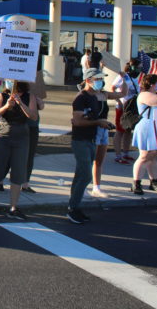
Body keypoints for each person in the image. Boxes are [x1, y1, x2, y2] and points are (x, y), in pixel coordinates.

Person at [67, 68, 124, 223]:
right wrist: (99, 122)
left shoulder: (95, 96)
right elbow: (78, 121)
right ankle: (73, 208)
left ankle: (74, 206)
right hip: (80, 140)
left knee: (80, 174)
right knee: (85, 174)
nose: (100, 81)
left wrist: (102, 122)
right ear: (88, 80)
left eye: (101, 78)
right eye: (97, 79)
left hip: (91, 139)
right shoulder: (81, 98)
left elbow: (121, 94)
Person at [0, 80, 38, 221]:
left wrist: (20, 103)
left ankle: (13, 207)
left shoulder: (29, 97)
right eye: (9, 80)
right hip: (3, 135)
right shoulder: (3, 96)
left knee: (18, 173)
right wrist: (6, 106)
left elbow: (33, 116)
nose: (10, 82)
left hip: (21, 136)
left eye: (13, 80)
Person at [130, 74, 157, 195]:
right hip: (147, 127)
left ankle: (154, 181)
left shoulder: (153, 94)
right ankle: (136, 182)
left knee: (154, 155)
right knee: (145, 155)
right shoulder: (144, 94)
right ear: (152, 84)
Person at [111, 59, 141, 165]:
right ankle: (118, 155)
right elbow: (113, 88)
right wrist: (118, 100)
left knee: (128, 130)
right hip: (122, 106)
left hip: (131, 108)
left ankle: (125, 153)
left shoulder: (134, 78)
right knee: (120, 131)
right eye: (138, 67)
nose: (139, 69)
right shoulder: (123, 76)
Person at [22, 92, 45, 193]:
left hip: (33, 127)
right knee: (12, 156)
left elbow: (41, 106)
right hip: (20, 126)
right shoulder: (17, 92)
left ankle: (25, 184)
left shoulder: (33, 93)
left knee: (30, 156)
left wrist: (37, 99)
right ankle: (0, 181)